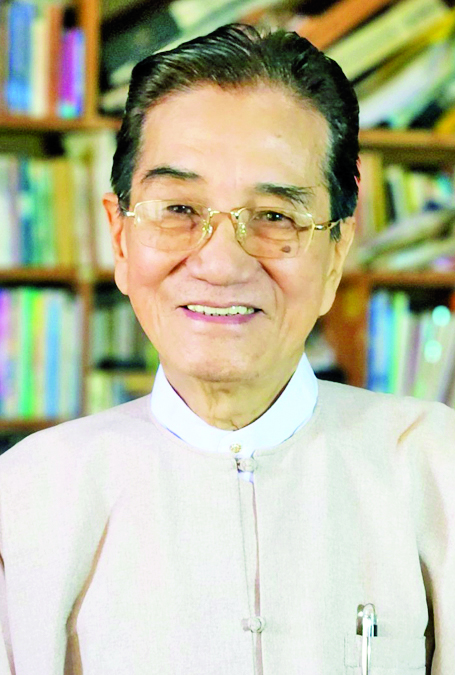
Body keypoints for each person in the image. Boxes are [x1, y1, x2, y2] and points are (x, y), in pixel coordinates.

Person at [0, 23, 454, 675]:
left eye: (274, 217)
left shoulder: (436, 468)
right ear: (121, 240)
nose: (220, 263)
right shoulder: (24, 501)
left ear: (334, 256)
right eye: (178, 209)